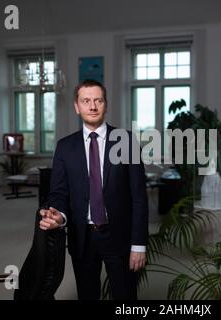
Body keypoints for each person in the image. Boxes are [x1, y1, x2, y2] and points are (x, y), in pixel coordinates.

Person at [39, 79, 148, 300]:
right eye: (86, 101)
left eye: (98, 100)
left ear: (105, 105)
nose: (92, 106)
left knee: (125, 297)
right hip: (82, 238)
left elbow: (139, 197)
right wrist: (58, 216)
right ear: (76, 107)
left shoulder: (126, 141)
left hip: (120, 237)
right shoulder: (65, 146)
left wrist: (139, 245)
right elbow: (59, 192)